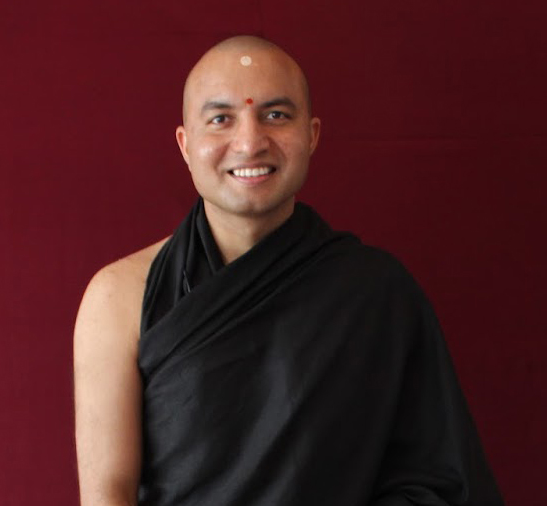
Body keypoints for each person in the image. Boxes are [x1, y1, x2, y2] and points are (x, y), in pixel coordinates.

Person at [74, 36, 503, 506]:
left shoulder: (376, 292)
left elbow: (439, 479)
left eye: (276, 115)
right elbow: (108, 493)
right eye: (221, 119)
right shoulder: (119, 296)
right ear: (185, 144)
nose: (250, 143)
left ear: (312, 135)